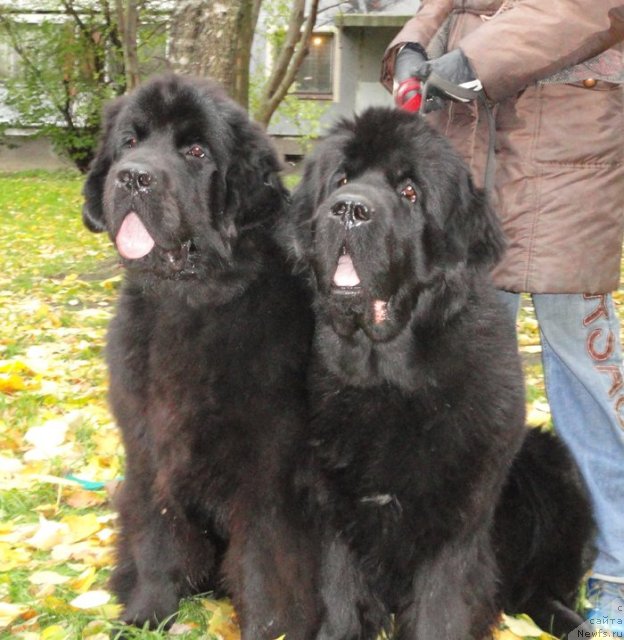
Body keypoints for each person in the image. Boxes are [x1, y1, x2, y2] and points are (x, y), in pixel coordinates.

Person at [380, 0, 624, 634]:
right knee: (453, 384)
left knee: (589, 382)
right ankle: (442, 559)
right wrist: (413, 45)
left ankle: (617, 569)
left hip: (566, 165)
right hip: (465, 159)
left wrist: (474, 60)